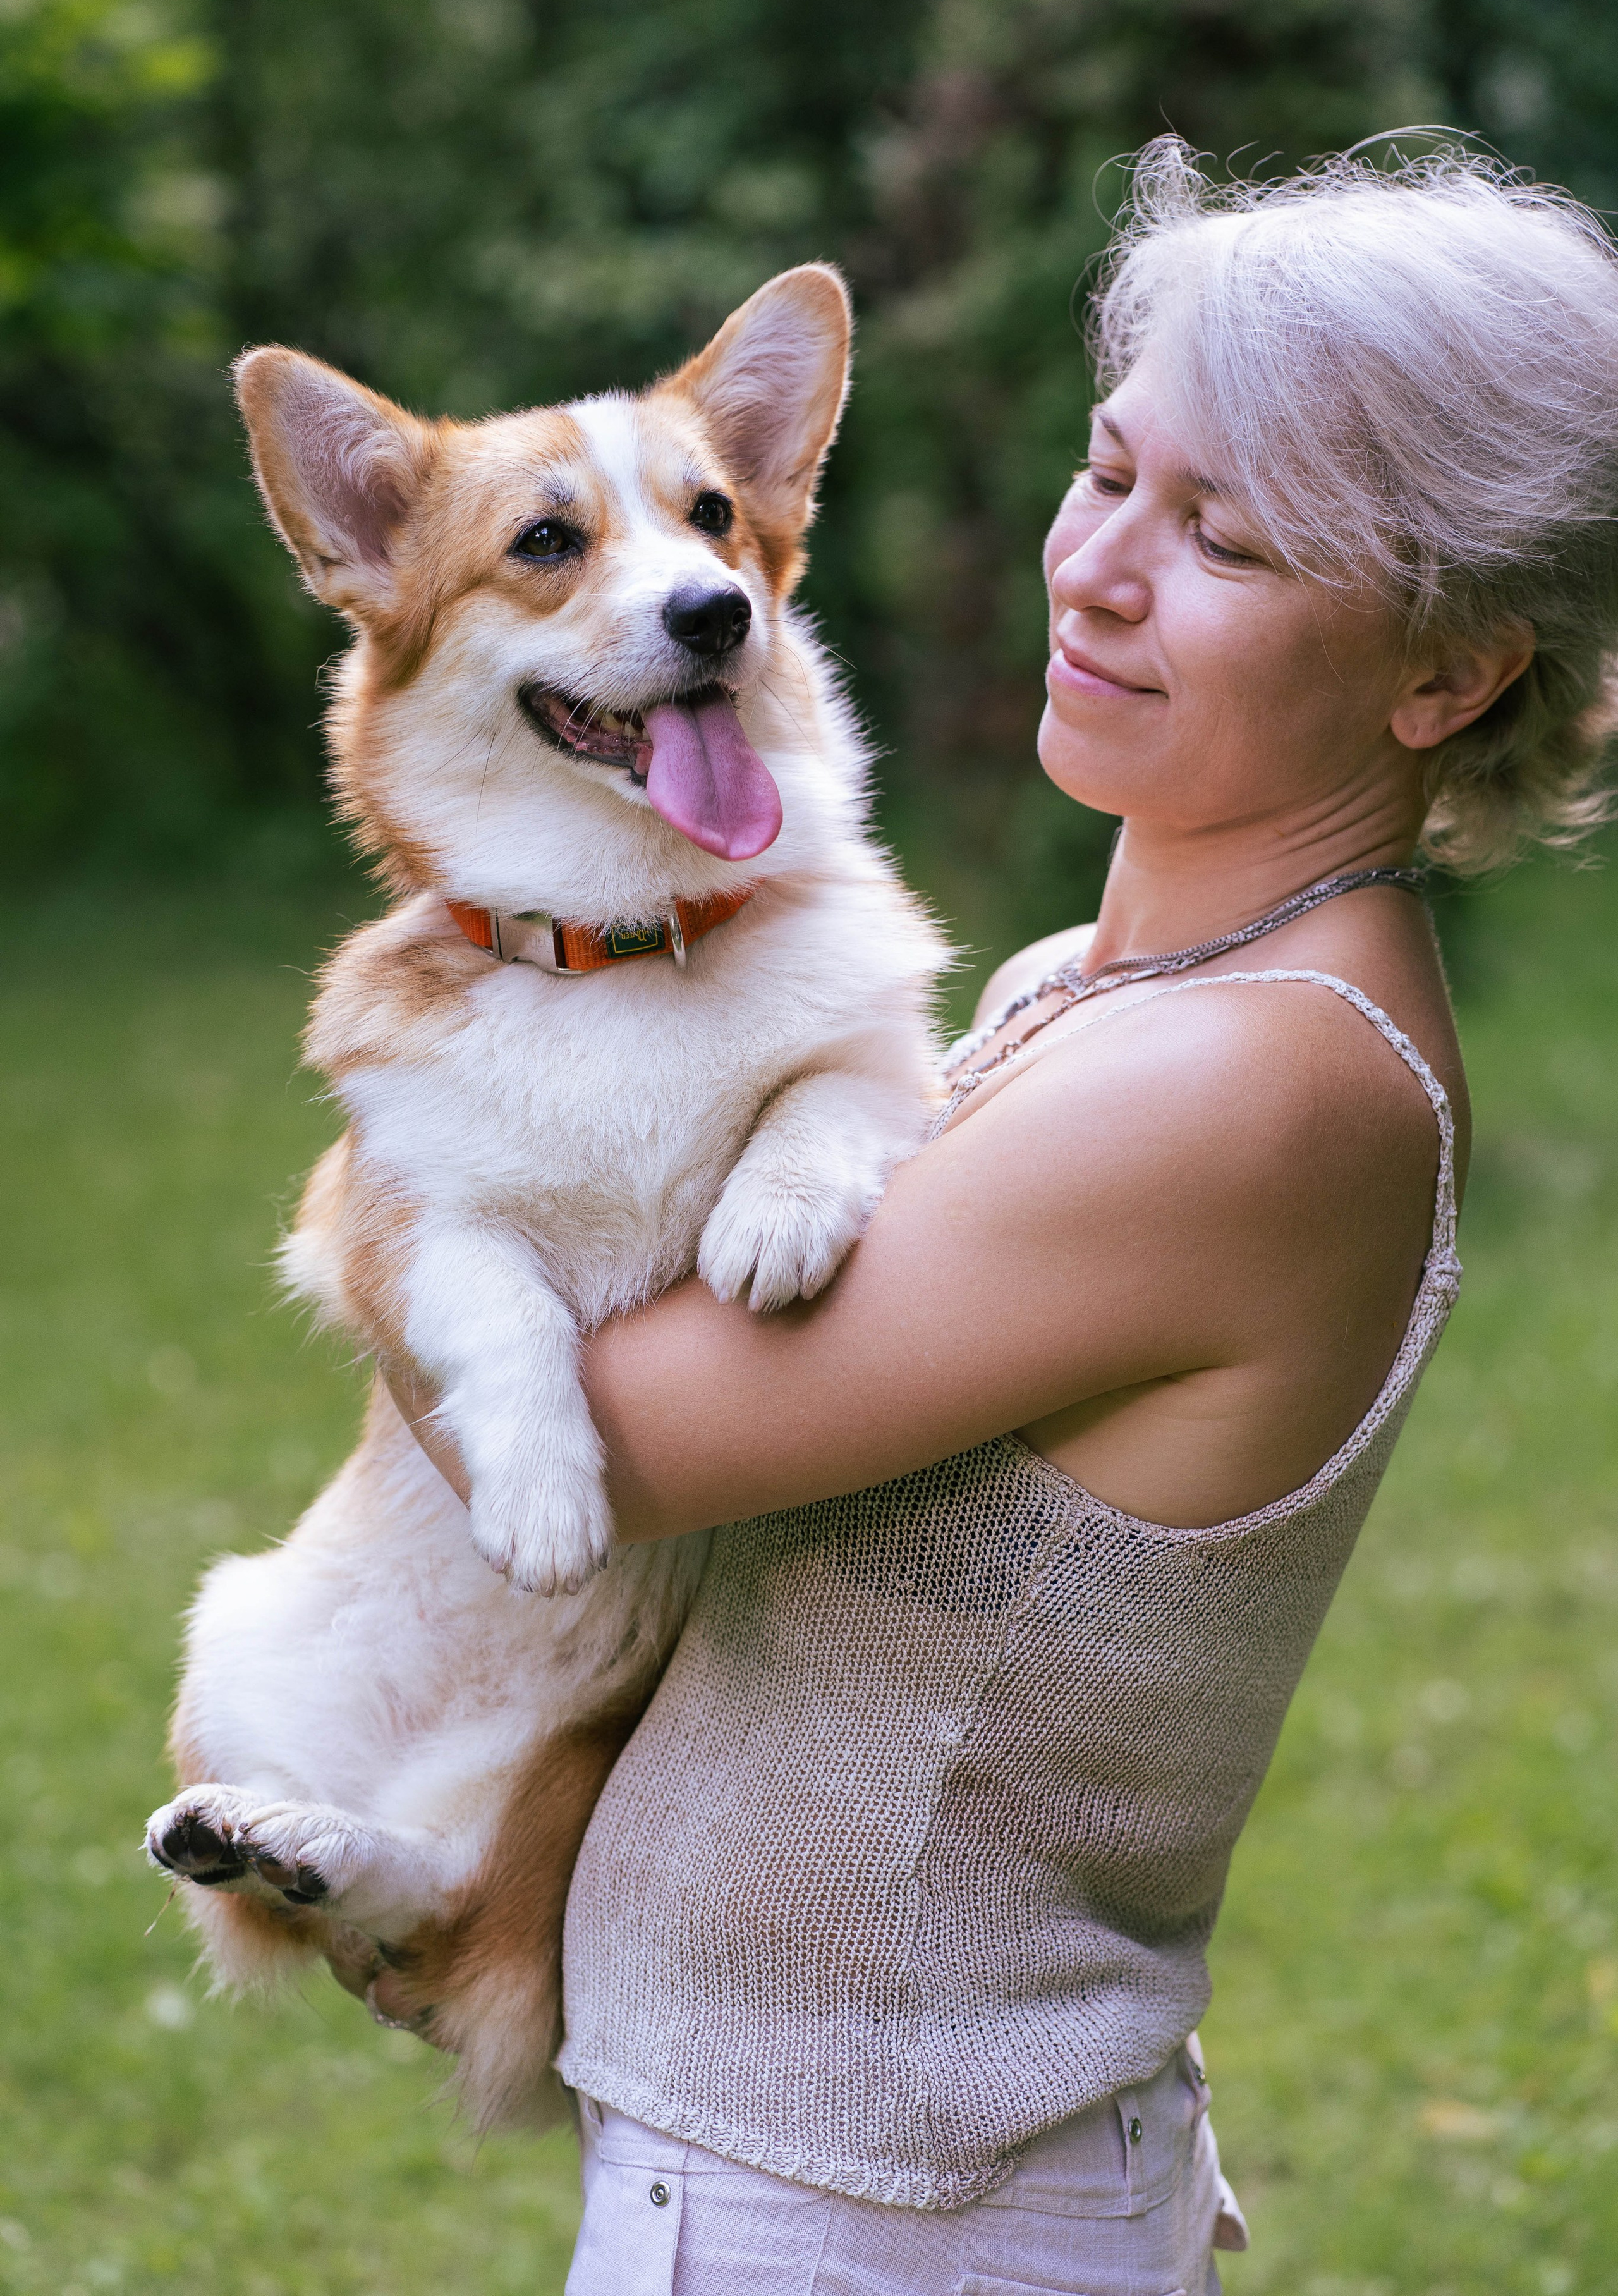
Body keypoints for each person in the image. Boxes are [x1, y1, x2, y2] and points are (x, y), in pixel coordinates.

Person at [390, 141, 1618, 2293]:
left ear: (1445, 677)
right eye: (1111, 471)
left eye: (1224, 537)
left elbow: (606, 1448)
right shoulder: (1094, 985)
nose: (1102, 571)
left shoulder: (1250, 1086)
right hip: (827, 2163)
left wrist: (398, 1146)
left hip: (881, 2211)